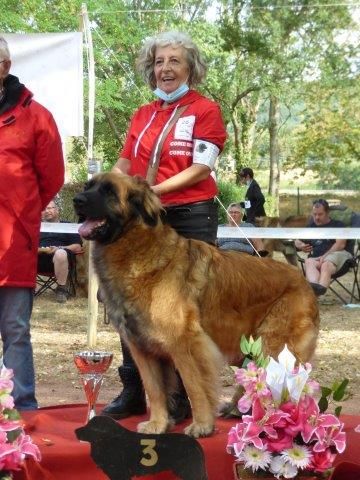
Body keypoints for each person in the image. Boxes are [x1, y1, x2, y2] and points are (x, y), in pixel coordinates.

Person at [102, 30, 227, 421]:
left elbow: (201, 167)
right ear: (150, 69)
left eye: (174, 61)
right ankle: (135, 389)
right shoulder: (142, 113)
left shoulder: (205, 110)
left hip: (190, 215)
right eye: (159, 61)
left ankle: (193, 397)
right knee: (132, 304)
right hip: (143, 220)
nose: (166, 68)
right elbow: (125, 162)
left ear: (191, 66)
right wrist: (110, 185)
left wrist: (151, 190)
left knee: (185, 314)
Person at [0, 36, 64, 410]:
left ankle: (22, 409)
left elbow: (52, 177)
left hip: (14, 241)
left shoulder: (37, 117)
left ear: (5, 67)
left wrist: (21, 210)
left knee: (15, 331)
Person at [294, 199, 353, 296]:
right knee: (309, 262)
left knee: (326, 264)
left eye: (320, 214)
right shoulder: (311, 227)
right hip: (318, 259)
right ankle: (314, 293)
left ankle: (317, 292)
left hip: (338, 256)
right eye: (314, 214)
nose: (316, 217)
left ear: (327, 213)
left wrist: (324, 256)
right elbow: (297, 240)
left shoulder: (338, 225)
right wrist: (301, 246)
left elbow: (340, 245)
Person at [38, 200, 83, 303]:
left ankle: (61, 289)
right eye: (44, 209)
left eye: (50, 208)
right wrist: (41, 250)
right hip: (38, 260)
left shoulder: (68, 226)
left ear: (57, 210)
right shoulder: (36, 227)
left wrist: (59, 248)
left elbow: (77, 247)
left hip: (62, 261)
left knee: (61, 253)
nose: (47, 211)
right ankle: (27, 288)